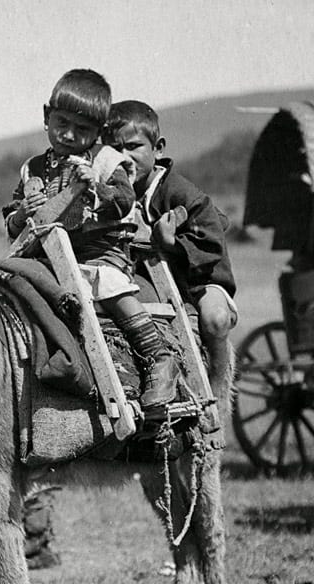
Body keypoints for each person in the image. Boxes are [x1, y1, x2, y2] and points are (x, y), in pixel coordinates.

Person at [3, 69, 179, 410]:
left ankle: (158, 357)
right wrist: (24, 212)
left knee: (107, 284)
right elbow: (11, 220)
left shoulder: (107, 160)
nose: (68, 134)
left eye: (82, 129)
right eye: (61, 123)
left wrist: (96, 188)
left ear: (99, 132)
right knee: (24, 288)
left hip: (101, 252)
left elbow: (124, 201)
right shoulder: (33, 168)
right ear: (46, 117)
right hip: (50, 258)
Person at [104, 99, 238, 398]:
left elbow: (212, 239)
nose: (124, 158)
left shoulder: (179, 191)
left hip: (198, 279)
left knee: (214, 319)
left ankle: (216, 388)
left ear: (158, 148)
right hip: (150, 280)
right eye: (114, 150)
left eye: (134, 147)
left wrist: (171, 244)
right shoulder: (113, 192)